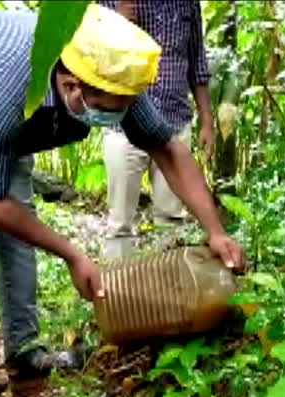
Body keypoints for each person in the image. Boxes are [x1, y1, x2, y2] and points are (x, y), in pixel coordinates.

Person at [0, 3, 243, 397]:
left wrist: (215, 231)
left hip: (1, 111)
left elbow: (168, 148)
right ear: (73, 88)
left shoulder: (104, 75)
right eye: (114, 106)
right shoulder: (3, 91)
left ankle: (24, 348)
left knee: (19, 226)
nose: (124, 113)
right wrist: (72, 254)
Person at [97, 0, 215, 260]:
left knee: (171, 219)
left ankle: (168, 294)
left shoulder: (187, 4)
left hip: (175, 122)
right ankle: (117, 294)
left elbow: (197, 64)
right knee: (120, 224)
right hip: (124, 123)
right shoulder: (109, 3)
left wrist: (207, 119)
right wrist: (118, 22)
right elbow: (93, 57)